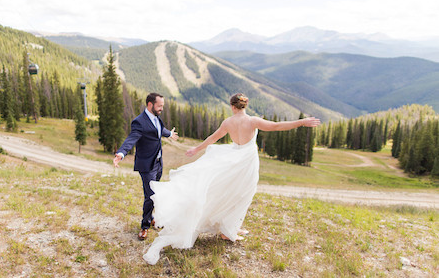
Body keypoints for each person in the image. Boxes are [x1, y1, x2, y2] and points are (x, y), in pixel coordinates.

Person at [143, 93, 320, 265]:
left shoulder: (228, 122)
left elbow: (213, 138)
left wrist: (196, 149)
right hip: (247, 162)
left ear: (232, 107)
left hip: (234, 160)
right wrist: (302, 122)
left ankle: (230, 228)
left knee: (230, 193)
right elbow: (276, 126)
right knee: (242, 195)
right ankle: (228, 230)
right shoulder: (253, 121)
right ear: (244, 106)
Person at [114, 93, 179, 241]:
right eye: (159, 106)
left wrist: (169, 134)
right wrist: (121, 153)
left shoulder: (156, 118)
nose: (162, 108)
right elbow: (132, 139)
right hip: (147, 165)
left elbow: (159, 130)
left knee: (154, 194)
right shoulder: (139, 122)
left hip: (158, 163)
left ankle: (151, 217)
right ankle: (145, 226)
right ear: (150, 105)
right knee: (150, 195)